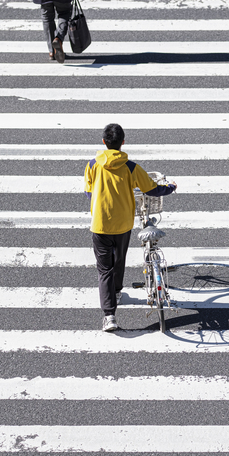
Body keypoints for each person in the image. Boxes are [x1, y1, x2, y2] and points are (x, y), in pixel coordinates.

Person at [84, 123, 177, 332]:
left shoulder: (92, 165)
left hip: (100, 224)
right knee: (119, 260)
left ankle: (109, 316)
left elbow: (89, 191)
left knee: (104, 269)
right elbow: (151, 189)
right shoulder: (130, 167)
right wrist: (170, 188)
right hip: (123, 223)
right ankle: (117, 290)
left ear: (103, 142)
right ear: (123, 143)